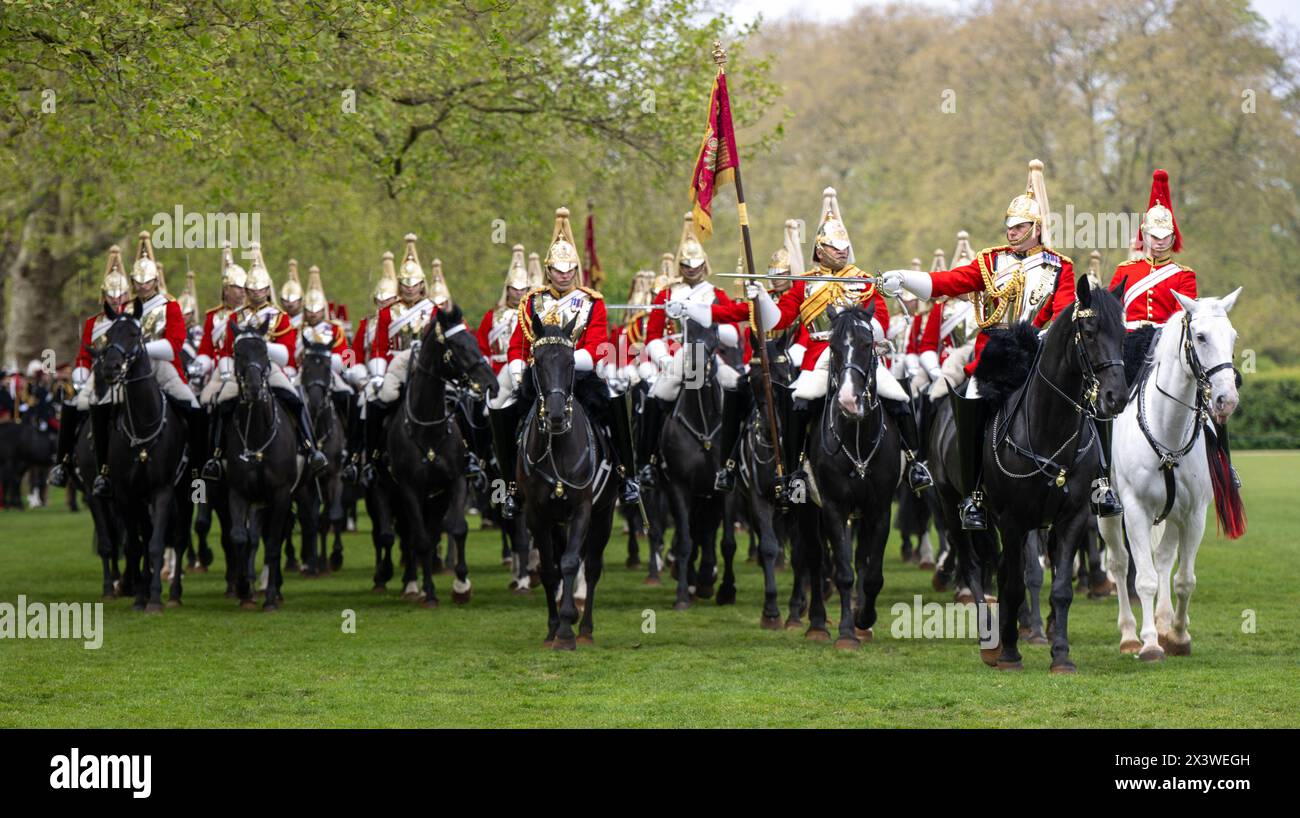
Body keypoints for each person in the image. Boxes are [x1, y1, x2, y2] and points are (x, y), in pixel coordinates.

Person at [879, 159, 1094, 529]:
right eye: (1009, 227)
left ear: (1037, 228)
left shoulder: (1061, 266)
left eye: (1020, 227)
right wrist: (904, 278)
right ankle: (975, 494)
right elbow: (948, 282)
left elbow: (1062, 313)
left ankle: (1100, 482)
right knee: (970, 403)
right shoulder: (991, 261)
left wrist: (1039, 339)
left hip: (1039, 355)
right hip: (995, 355)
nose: (1012, 233)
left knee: (1085, 400)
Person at [731, 188, 933, 504]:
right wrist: (758, 297)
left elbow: (880, 318)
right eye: (833, 247)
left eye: (844, 247)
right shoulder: (804, 283)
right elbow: (779, 320)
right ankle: (795, 472)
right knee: (801, 399)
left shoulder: (864, 280)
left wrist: (860, 335)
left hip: (861, 354)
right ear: (819, 250)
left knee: (899, 396)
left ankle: (915, 464)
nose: (841, 252)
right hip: (820, 355)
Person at [488, 206, 639, 519]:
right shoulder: (531, 301)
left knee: (615, 400)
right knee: (501, 407)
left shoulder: (591, 301)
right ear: (548, 270)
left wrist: (572, 361)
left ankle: (626, 476)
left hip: (580, 376)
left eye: (570, 268)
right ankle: (511, 488)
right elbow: (518, 343)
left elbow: (597, 346)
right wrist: (517, 369)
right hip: (540, 376)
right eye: (559, 269)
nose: (565, 274)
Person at [201, 241, 328, 479]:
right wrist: (228, 372)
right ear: (247, 290)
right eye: (252, 289)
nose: (257, 293)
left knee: (294, 399)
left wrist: (259, 347)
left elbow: (287, 352)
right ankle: (215, 456)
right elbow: (227, 350)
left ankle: (311, 450)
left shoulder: (279, 317)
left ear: (268, 289)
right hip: (241, 372)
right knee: (221, 404)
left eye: (261, 289)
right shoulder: (236, 317)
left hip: (270, 369)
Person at [635, 213, 744, 488]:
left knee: (740, 390)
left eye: (696, 264)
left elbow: (734, 332)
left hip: (711, 355)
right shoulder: (667, 295)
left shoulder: (717, 293)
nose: (692, 269)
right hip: (680, 356)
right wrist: (664, 360)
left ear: (704, 264)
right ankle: (647, 462)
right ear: (680, 266)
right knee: (655, 395)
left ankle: (738, 459)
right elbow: (652, 335)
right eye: (686, 264)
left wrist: (715, 333)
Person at [50, 247, 132, 492]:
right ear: (104, 296)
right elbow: (84, 356)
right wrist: (81, 373)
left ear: (127, 295)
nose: (116, 300)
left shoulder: (135, 318)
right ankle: (63, 462)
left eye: (120, 295)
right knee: (73, 405)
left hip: (129, 374)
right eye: (111, 295)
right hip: (100, 377)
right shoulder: (92, 323)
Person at [341, 253, 397, 485]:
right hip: (371, 379)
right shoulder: (366, 324)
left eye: (389, 299)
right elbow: (350, 354)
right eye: (380, 300)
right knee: (360, 403)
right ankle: (356, 455)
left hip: (397, 375)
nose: (384, 304)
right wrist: (355, 374)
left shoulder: (406, 320)